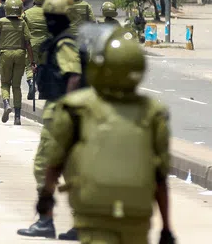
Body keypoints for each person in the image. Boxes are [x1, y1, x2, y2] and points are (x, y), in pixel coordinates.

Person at [36, 28, 174, 244]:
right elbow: (160, 176)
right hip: (136, 214)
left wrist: (46, 198)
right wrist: (166, 227)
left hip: (93, 212)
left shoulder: (76, 107)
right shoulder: (153, 112)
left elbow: (55, 161)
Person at [18, 0, 84, 240]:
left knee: (43, 167)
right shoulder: (63, 40)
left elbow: (73, 75)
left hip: (60, 114)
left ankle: (46, 222)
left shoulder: (64, 44)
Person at [0, 0, 35, 125]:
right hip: (20, 54)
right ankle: (18, 117)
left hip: (5, 55)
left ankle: (7, 104)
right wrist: (32, 62)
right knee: (16, 86)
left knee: (5, 83)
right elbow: (28, 43)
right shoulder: (23, 23)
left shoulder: (2, 21)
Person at [22, 0, 49, 102]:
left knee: (30, 64)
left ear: (33, 1)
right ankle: (42, 91)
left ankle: (32, 83)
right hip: (45, 43)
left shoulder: (27, 13)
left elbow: (22, 27)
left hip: (31, 43)